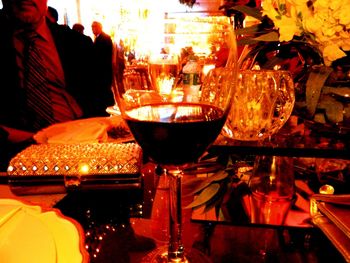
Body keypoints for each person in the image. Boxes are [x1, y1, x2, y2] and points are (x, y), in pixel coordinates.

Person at [0, 0, 111, 169]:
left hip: (81, 149)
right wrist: (35, 139)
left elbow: (102, 100)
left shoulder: (77, 43)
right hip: (16, 158)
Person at [91, 21, 115, 111]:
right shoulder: (100, 37)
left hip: (104, 69)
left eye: (94, 27)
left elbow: (103, 55)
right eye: (92, 27)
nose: (92, 29)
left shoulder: (104, 38)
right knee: (105, 89)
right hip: (104, 69)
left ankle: (109, 107)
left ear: (99, 27)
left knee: (105, 89)